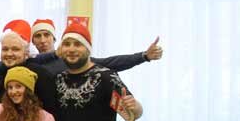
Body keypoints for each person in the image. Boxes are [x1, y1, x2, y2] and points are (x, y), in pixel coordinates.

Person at [30, 18, 164, 74]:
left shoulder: (71, 58)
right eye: (38, 36)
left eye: (47, 35)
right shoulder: (30, 63)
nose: (43, 40)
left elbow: (110, 63)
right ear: (33, 41)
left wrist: (143, 56)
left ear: (54, 38)